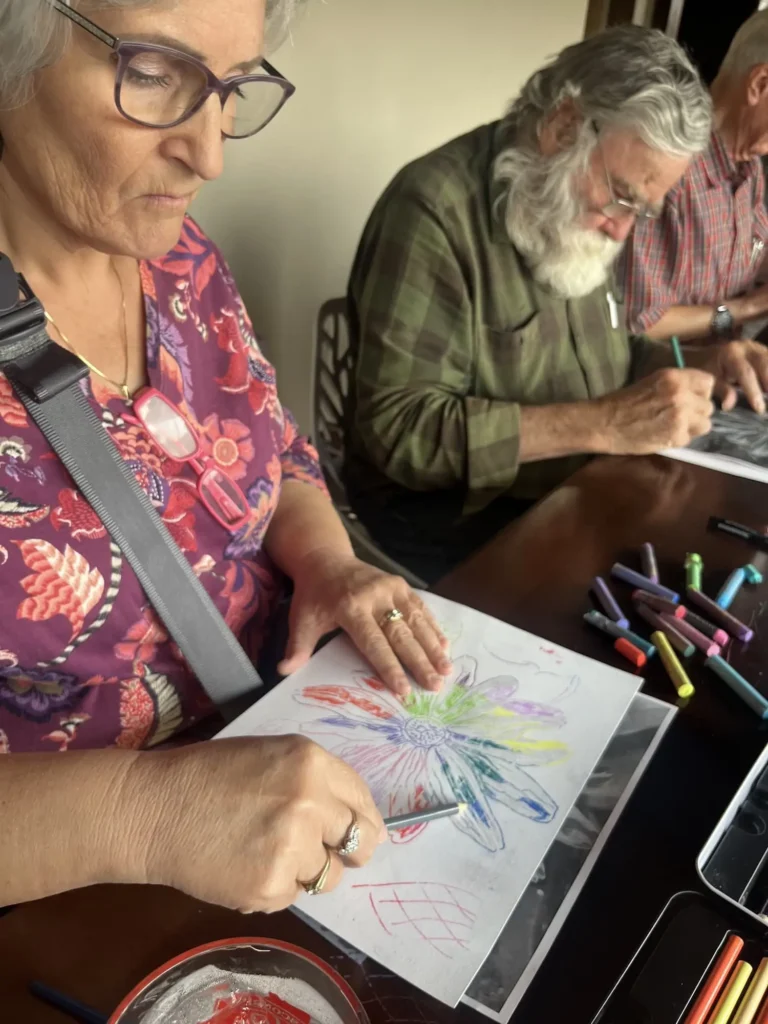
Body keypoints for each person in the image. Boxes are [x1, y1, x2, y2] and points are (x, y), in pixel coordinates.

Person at [0, 0, 453, 912]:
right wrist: (151, 812)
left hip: (287, 734)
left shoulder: (178, 257)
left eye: (230, 89)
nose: (209, 155)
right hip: (86, 900)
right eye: (156, 73)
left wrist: (327, 562)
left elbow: (272, 450)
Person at [344, 26, 768, 585]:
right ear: (564, 126)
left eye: (642, 211)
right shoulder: (433, 213)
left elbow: (615, 353)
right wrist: (604, 424)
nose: (622, 230)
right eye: (621, 197)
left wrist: (699, 363)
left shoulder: (586, 212)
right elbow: (398, 430)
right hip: (456, 528)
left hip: (572, 493)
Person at [623, 10, 768, 342]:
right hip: (662, 382)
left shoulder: (751, 165)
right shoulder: (667, 166)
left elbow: (749, 255)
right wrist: (745, 309)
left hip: (726, 374)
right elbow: (638, 324)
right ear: (760, 85)